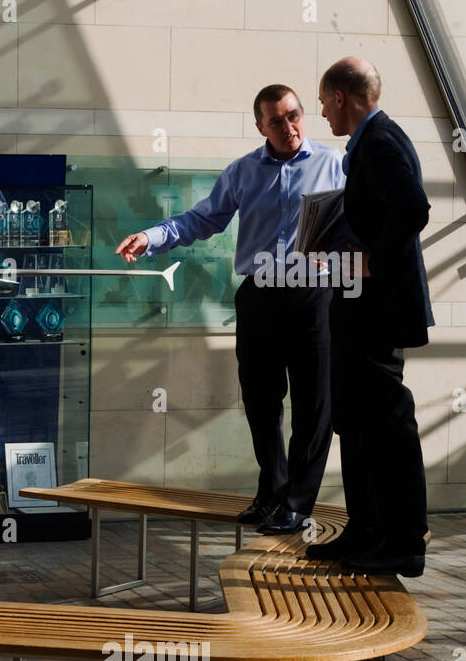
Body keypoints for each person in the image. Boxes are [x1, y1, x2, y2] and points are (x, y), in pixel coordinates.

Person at [116, 85, 344, 534]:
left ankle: (298, 503)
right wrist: (151, 237)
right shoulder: (243, 171)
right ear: (260, 126)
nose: (288, 126)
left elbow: (366, 218)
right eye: (275, 121)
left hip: (314, 295)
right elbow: (201, 218)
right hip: (260, 294)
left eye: (294, 115)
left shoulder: (334, 164)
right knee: (261, 400)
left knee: (314, 404)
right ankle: (272, 491)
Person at [308, 57, 433, 576]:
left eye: (321, 101)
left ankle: (403, 541)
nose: (321, 112)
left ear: (341, 96)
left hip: (377, 310)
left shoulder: (379, 142)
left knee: (386, 423)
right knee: (356, 421)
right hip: (361, 307)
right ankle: (365, 530)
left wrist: (369, 264)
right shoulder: (370, 144)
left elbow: (413, 209)